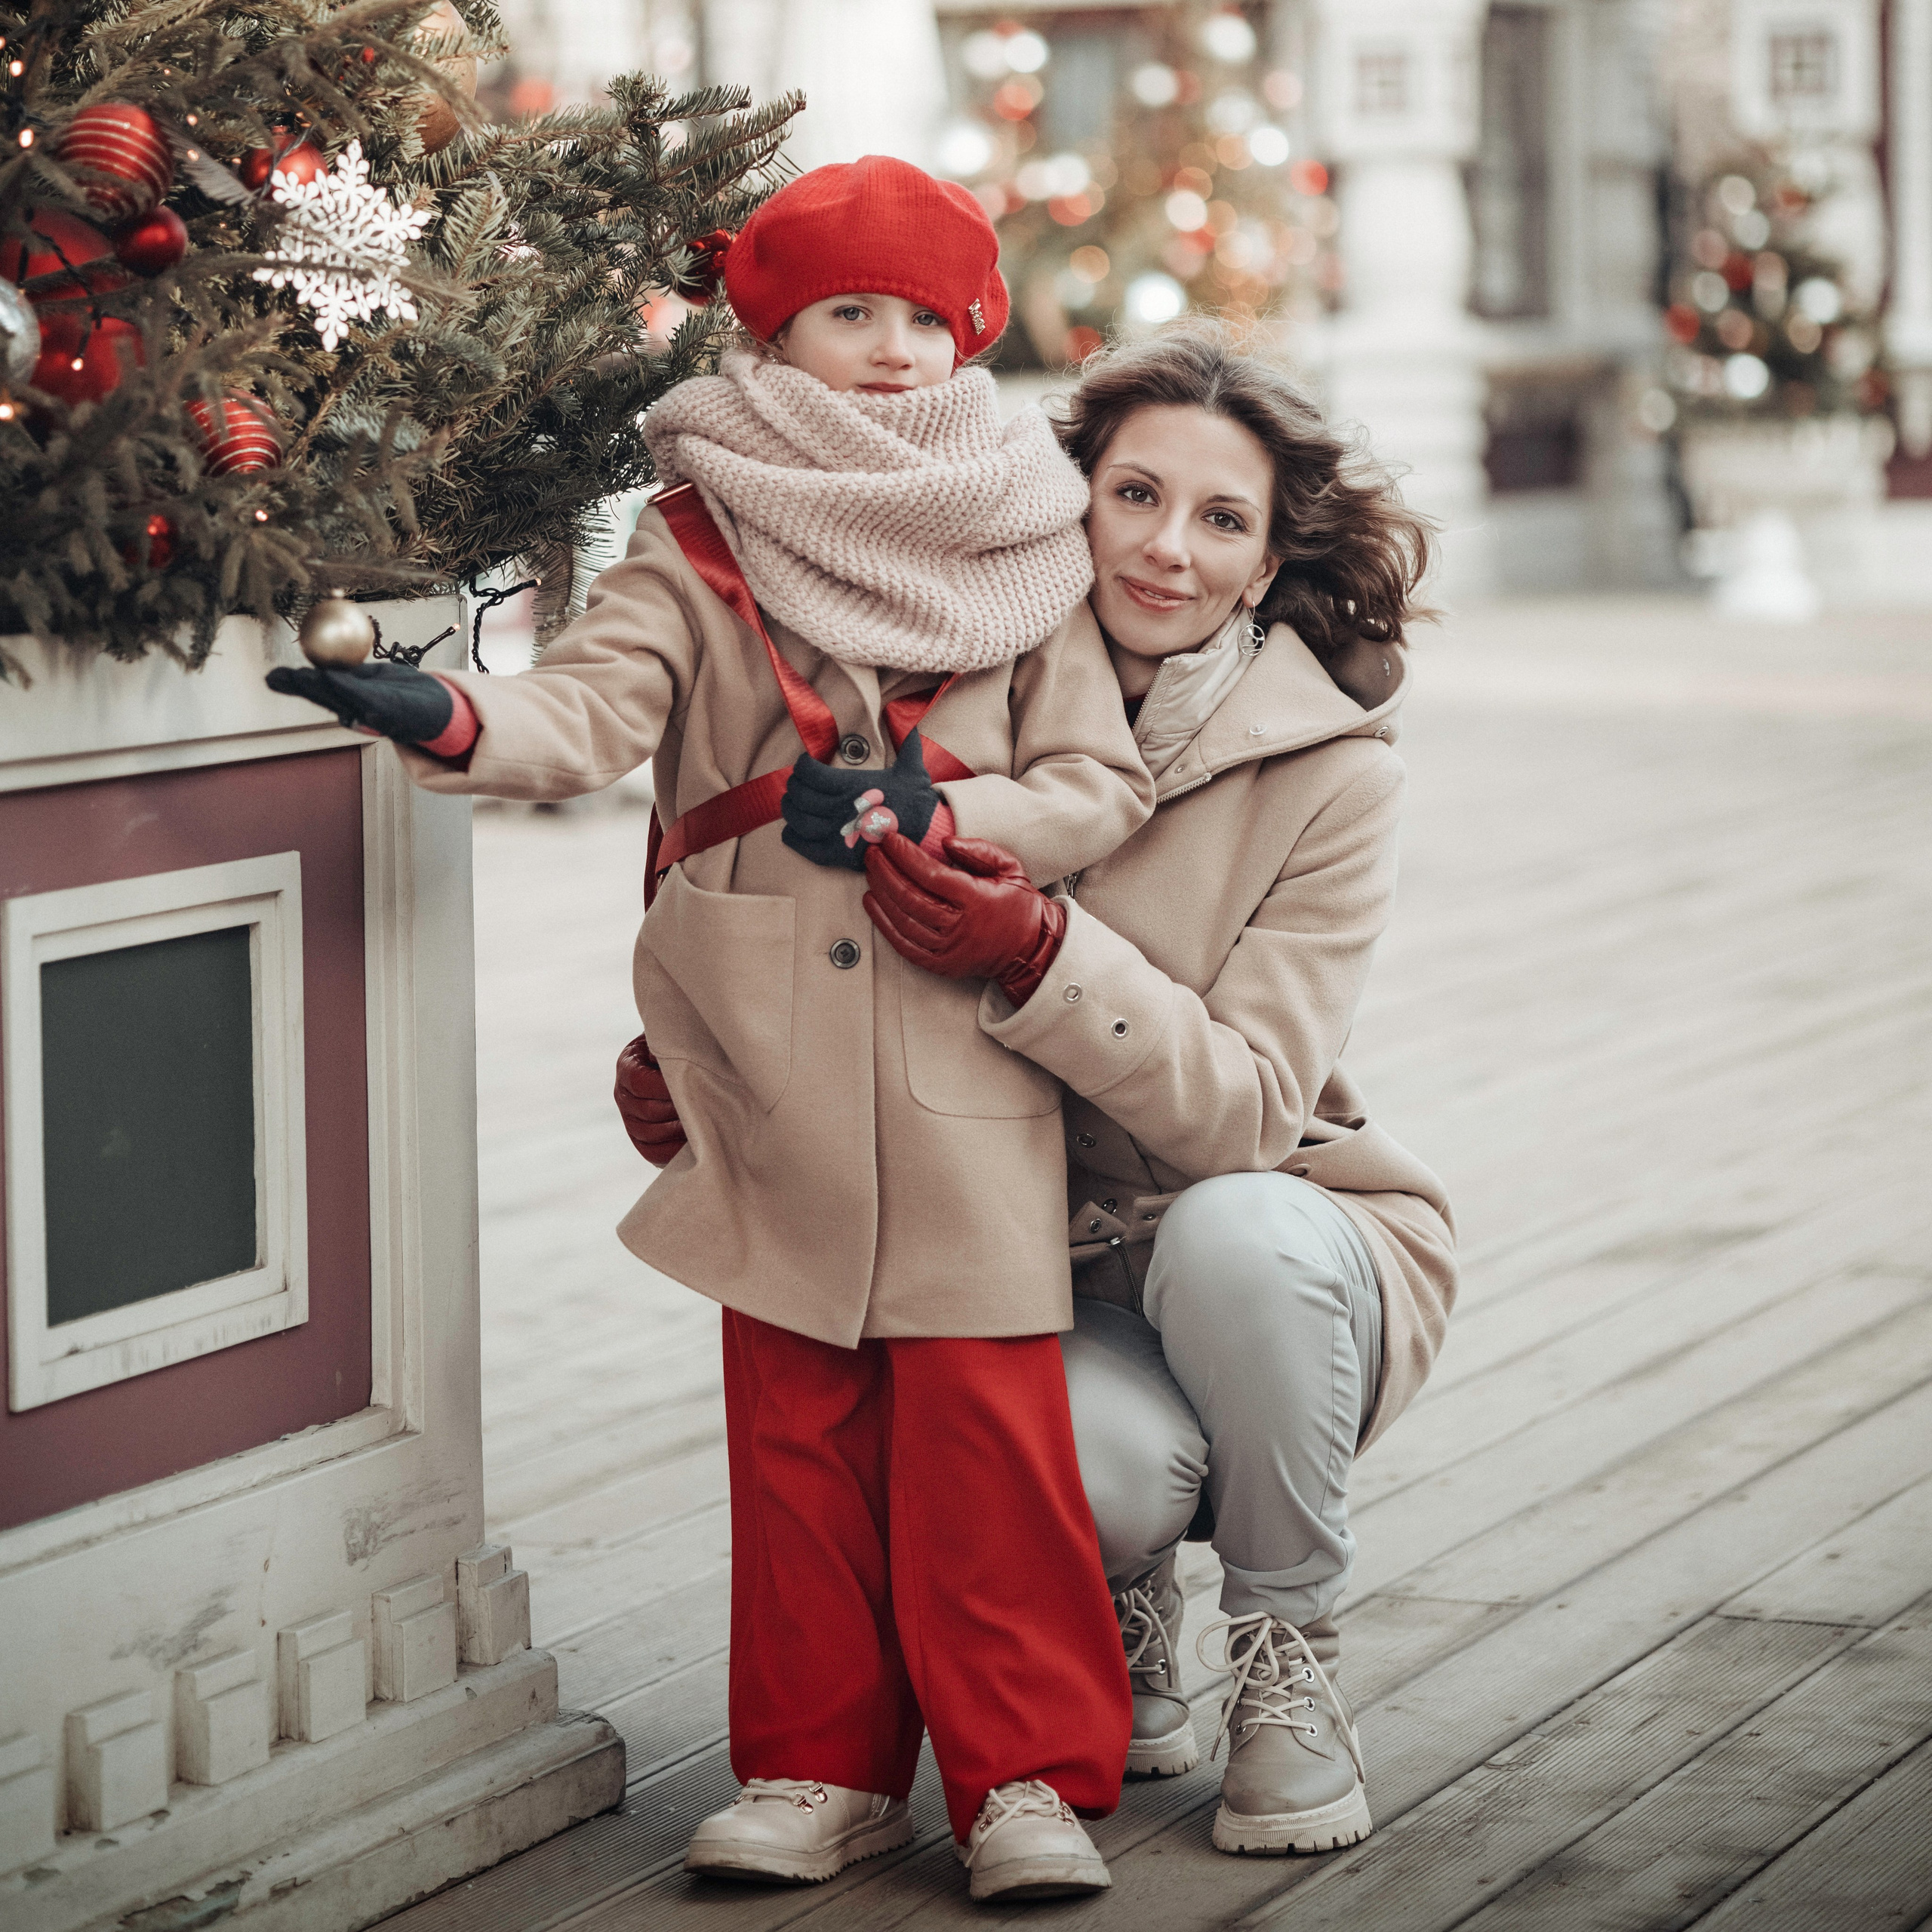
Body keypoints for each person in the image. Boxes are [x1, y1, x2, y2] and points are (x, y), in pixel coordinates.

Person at [269, 158, 1153, 1904]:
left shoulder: (1025, 532)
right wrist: (448, 711)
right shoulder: (696, 529)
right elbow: (592, 711)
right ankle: (819, 1766)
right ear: (774, 328)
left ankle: (1024, 1778)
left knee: (986, 1424)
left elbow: (1097, 783)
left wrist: (961, 823)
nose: (891, 351)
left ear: (968, 332)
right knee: (794, 1413)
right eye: (848, 314)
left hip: (959, 1026)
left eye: (924, 317)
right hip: (763, 1032)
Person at [764, 324, 1456, 1860]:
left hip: (1290, 1232)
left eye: (1220, 519)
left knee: (1231, 1233)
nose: (1163, 549)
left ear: (1272, 558)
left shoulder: (1336, 775)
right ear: (1065, 499)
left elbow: (1245, 1112)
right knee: (1058, 1453)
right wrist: (691, 1065)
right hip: (1040, 1250)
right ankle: (1118, 1599)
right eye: (1132, 495)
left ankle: (1287, 1651)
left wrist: (1038, 950)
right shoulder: (945, 685)